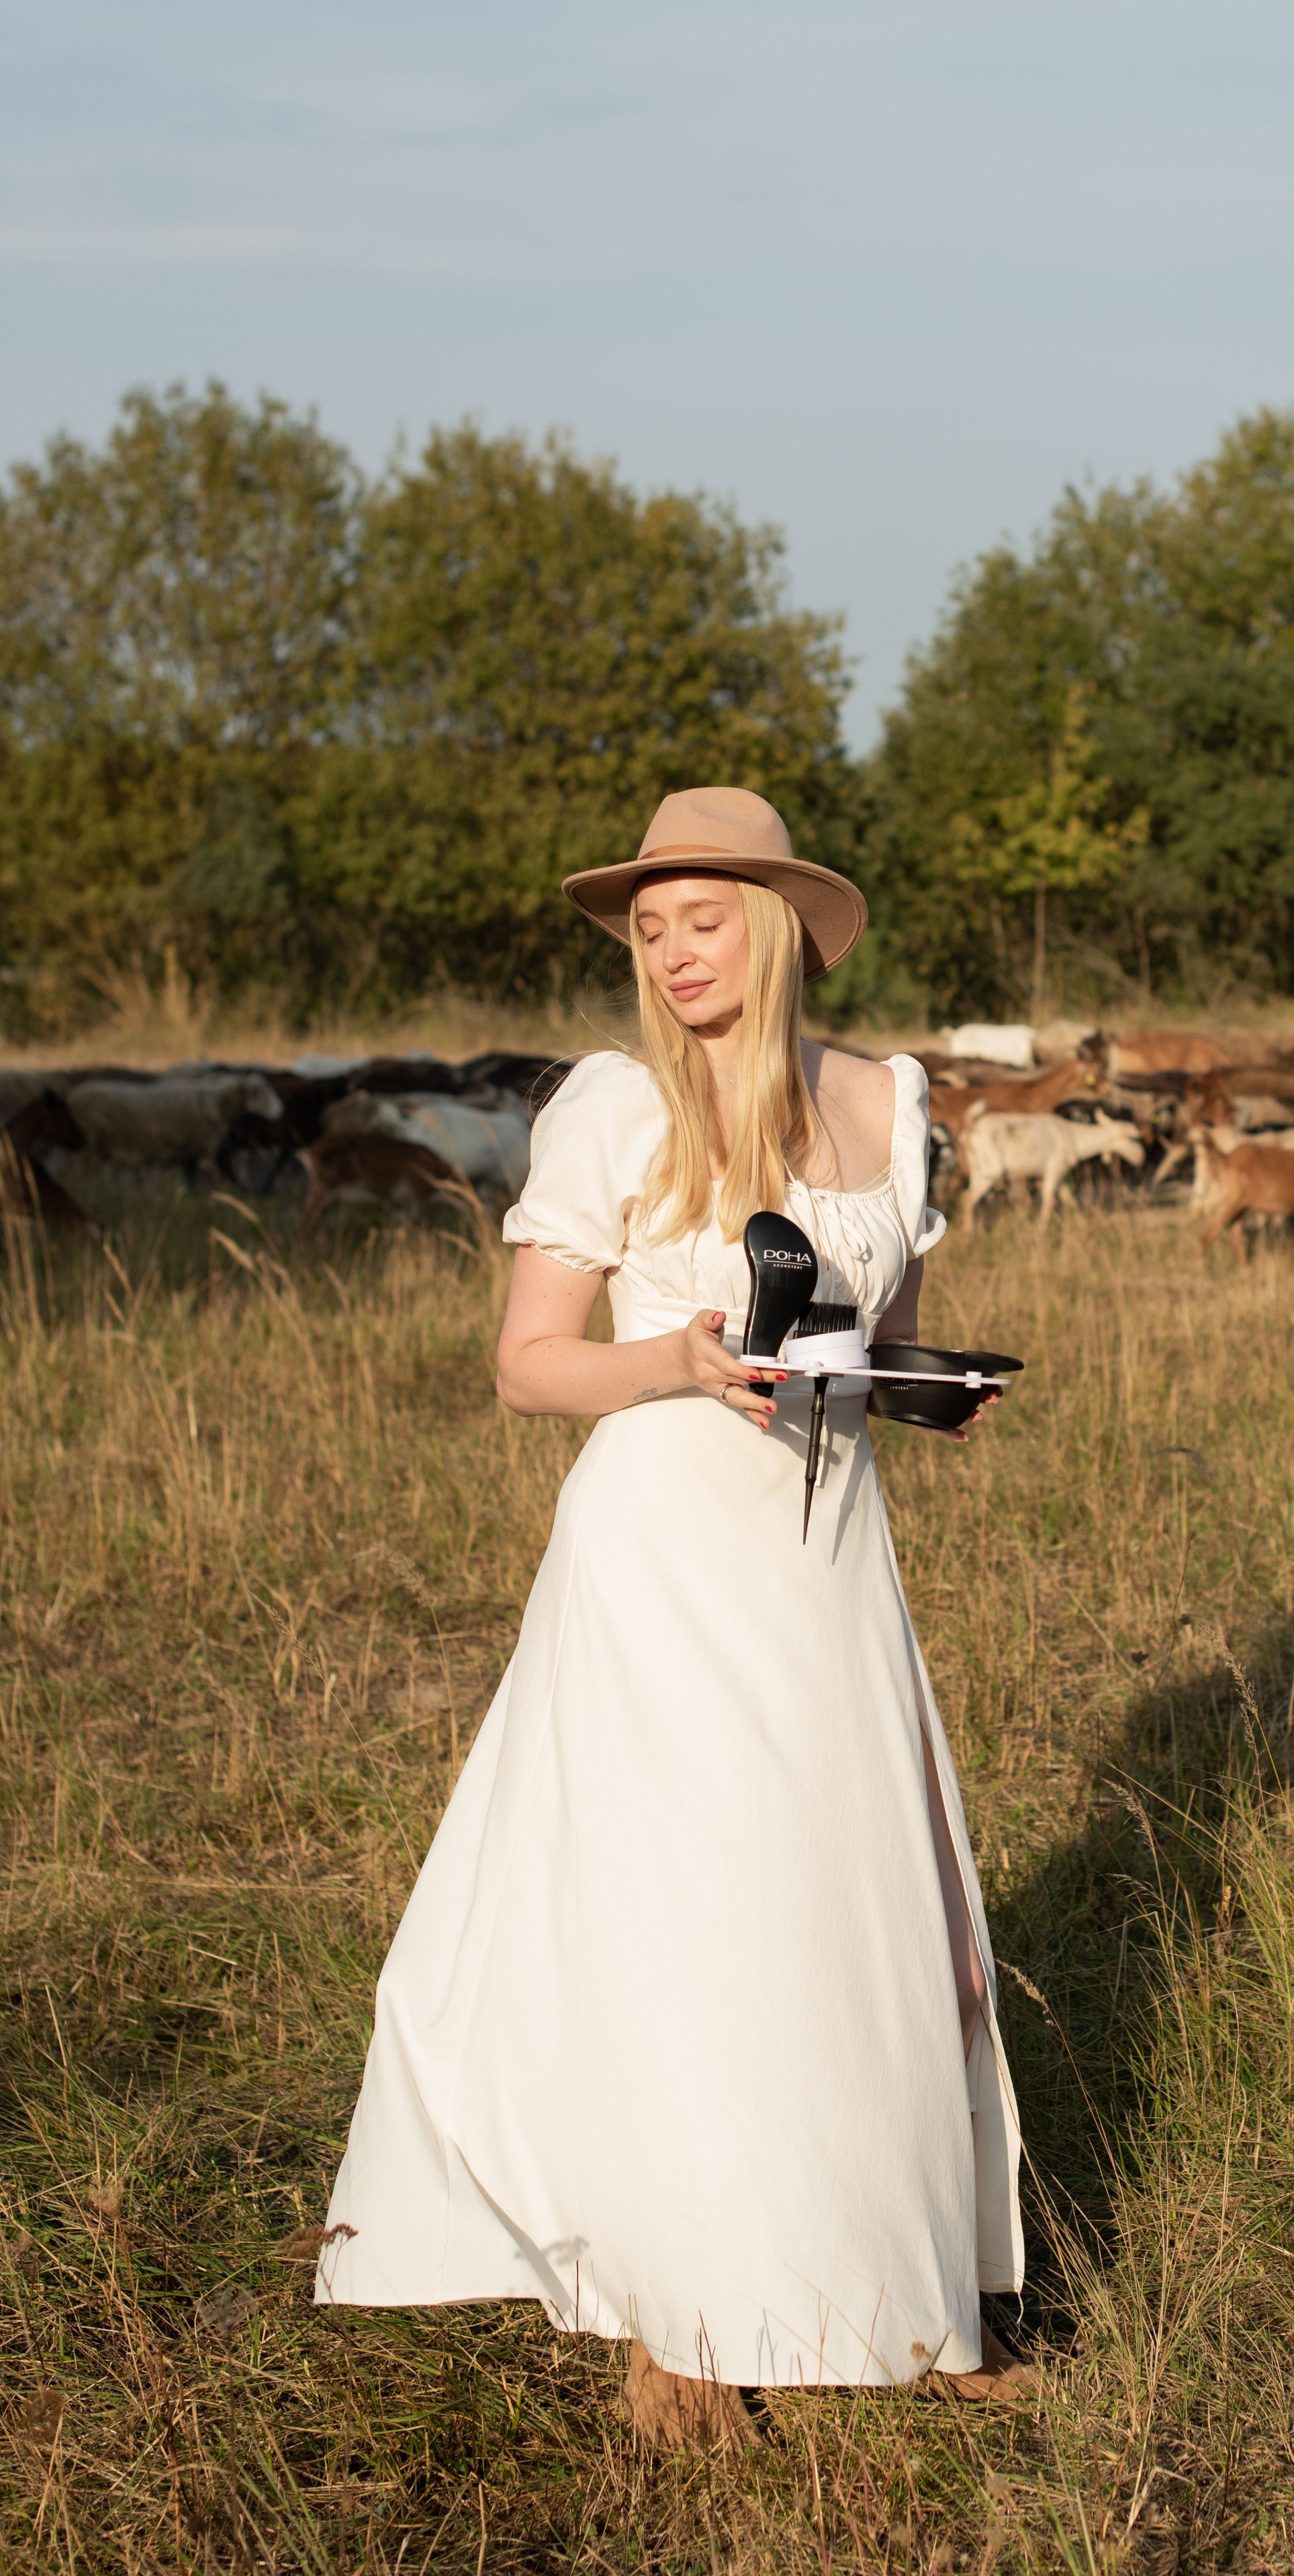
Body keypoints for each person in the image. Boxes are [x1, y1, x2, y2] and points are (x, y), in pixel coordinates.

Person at [314, 786, 1028, 2446]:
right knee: (695, 1908)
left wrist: (923, 1389)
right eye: (649, 927)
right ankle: (684, 2322)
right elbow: (525, 1362)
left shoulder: (884, 1097)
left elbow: (876, 1328)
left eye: (701, 918)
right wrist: (675, 1360)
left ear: (776, 921)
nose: (672, 951)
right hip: (660, 1550)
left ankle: (896, 2305)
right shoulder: (614, 1105)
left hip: (827, 1553)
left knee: (850, 1911)